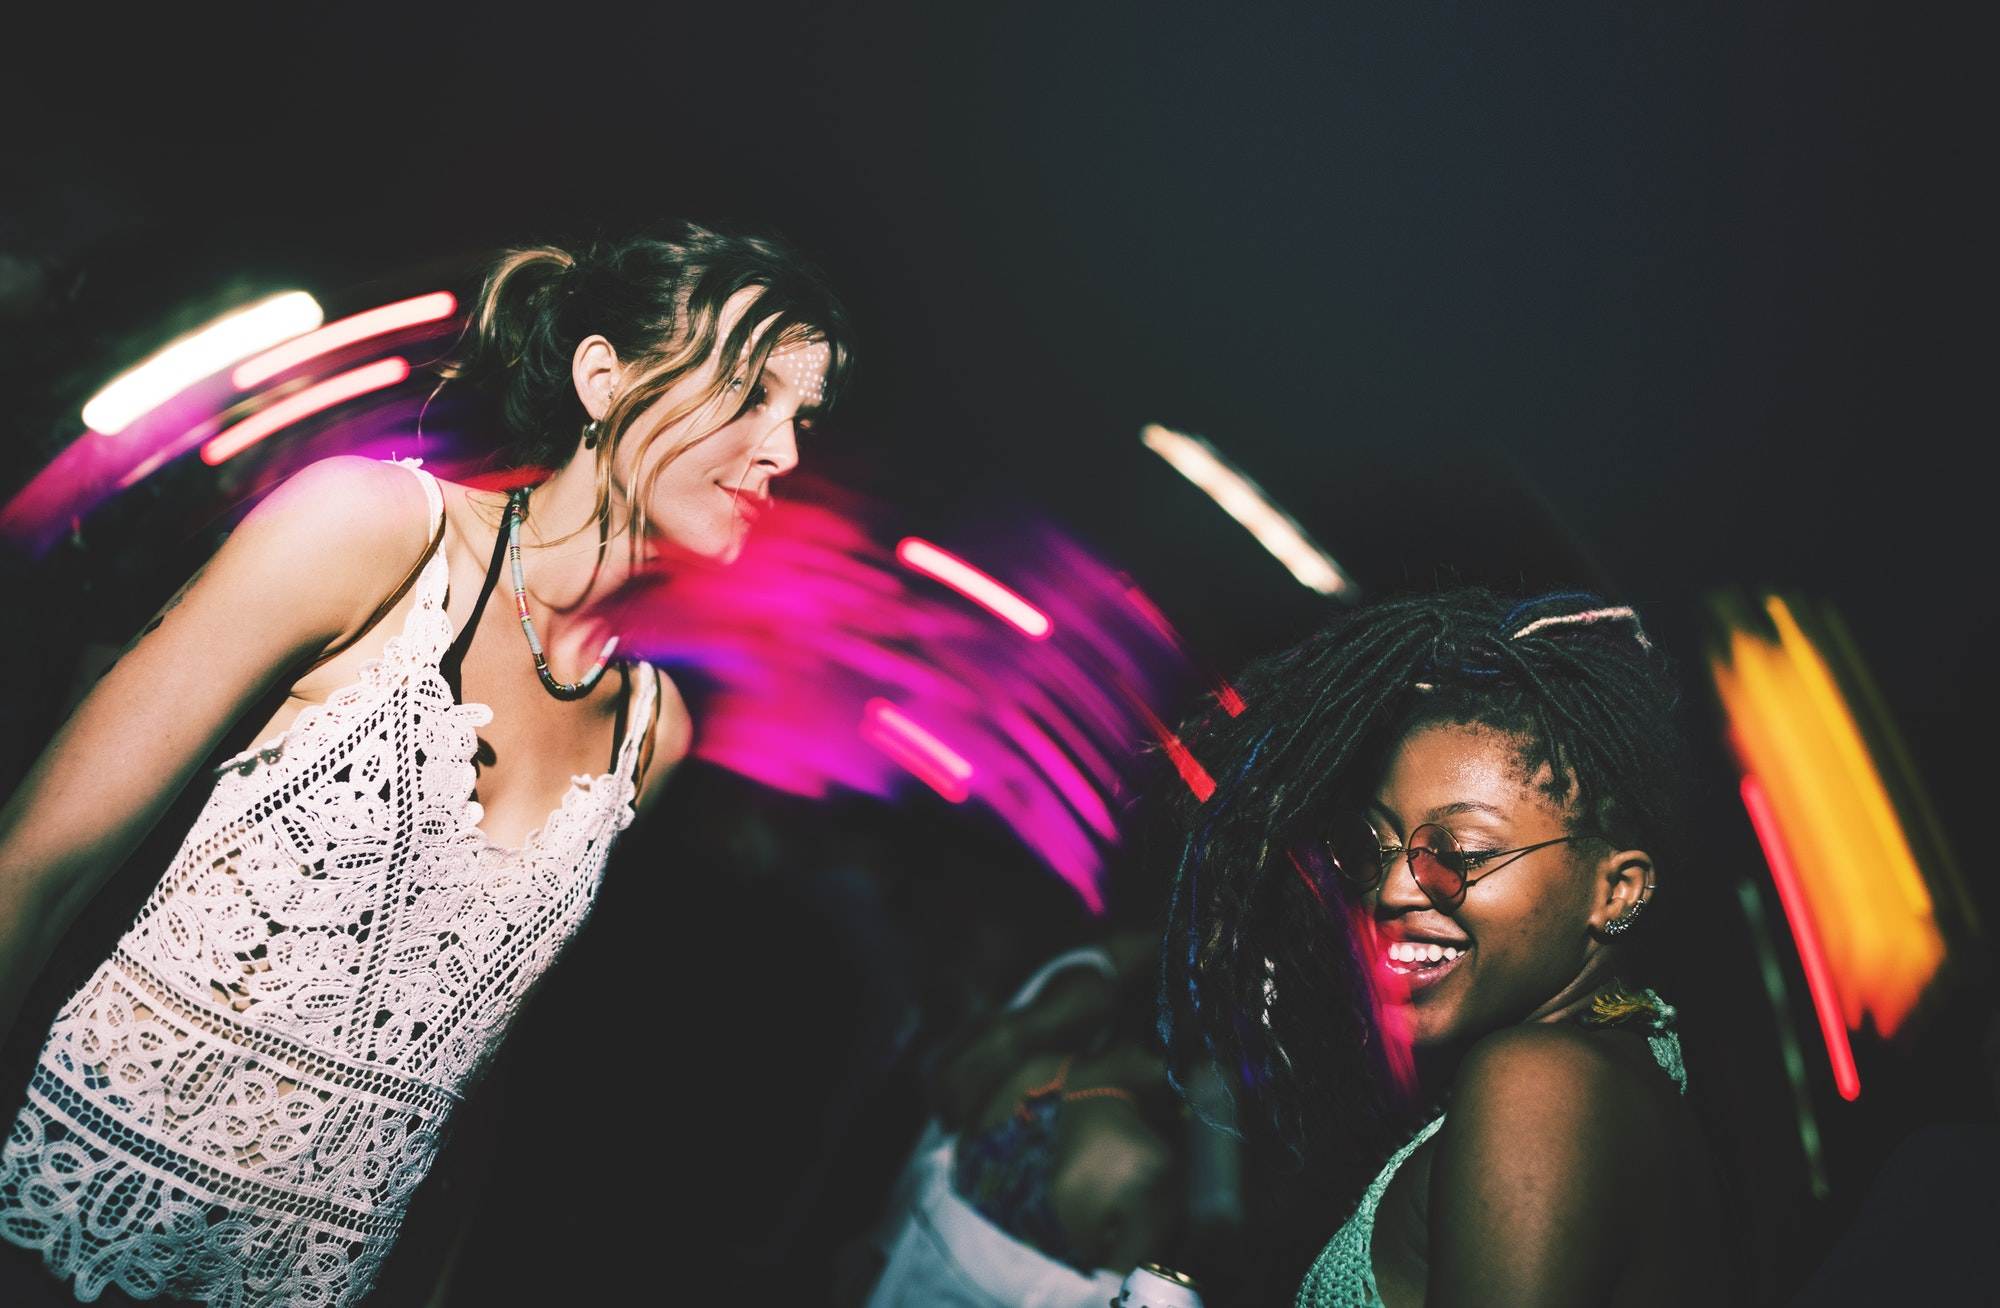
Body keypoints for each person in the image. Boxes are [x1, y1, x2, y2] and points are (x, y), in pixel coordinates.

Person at [0, 223, 852, 1306]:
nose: (784, 453)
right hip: (62, 1220)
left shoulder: (653, 730)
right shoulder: (369, 531)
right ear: (602, 379)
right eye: (747, 394)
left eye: (801, 418)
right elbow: (31, 868)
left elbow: (467, 1083)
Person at [1158, 588, 1728, 1307]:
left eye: (1462, 852)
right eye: (1374, 844)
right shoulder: (1607, 1067)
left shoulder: (1538, 1083)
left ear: (1616, 891)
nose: (1392, 890)